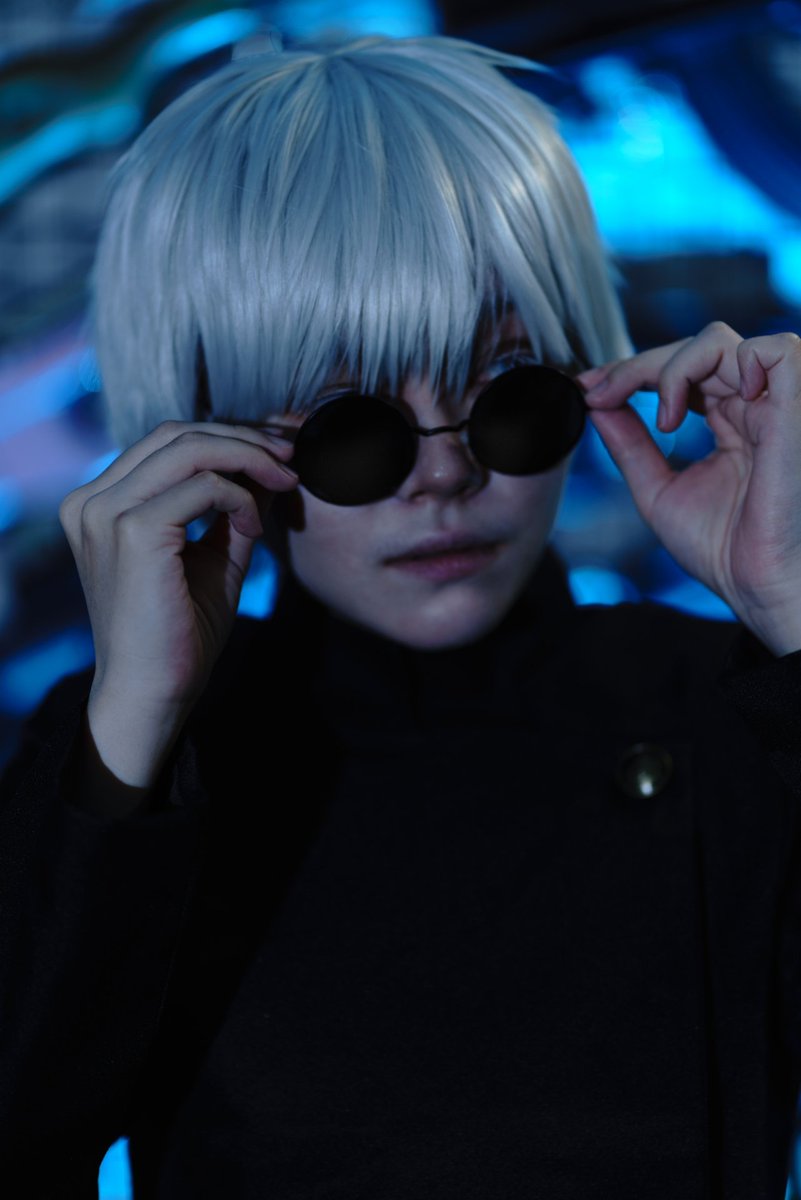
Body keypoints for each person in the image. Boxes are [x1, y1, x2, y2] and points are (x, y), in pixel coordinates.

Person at [1, 32, 800, 1200]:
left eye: (510, 397)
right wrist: (135, 728)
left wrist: (790, 611)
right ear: (205, 436)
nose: (444, 476)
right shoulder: (134, 755)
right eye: (353, 429)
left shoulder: (729, 707)